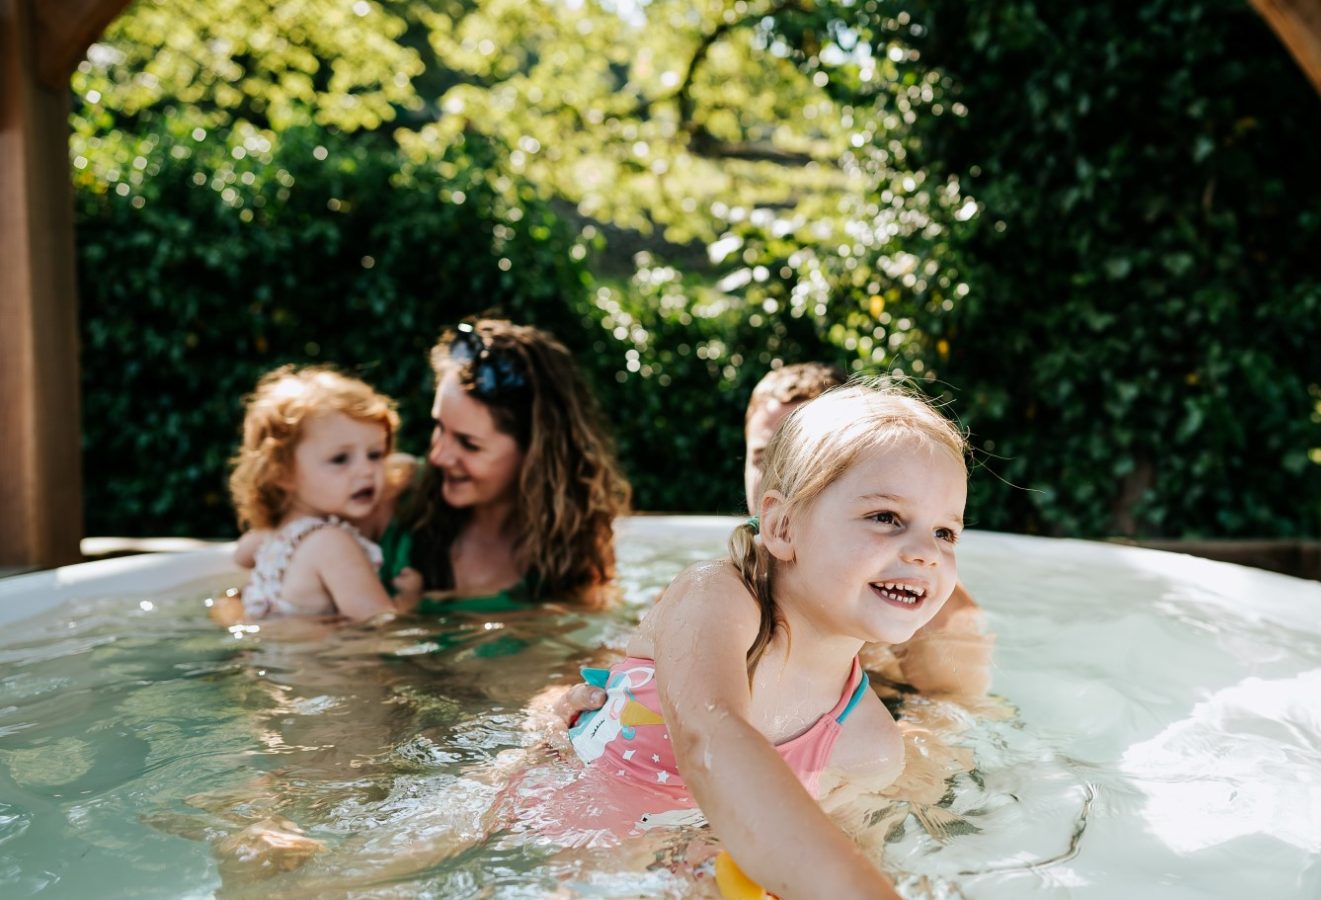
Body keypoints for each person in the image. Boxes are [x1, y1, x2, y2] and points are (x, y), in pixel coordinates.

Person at [504, 380, 970, 897]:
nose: (926, 551)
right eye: (885, 517)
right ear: (782, 526)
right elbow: (711, 737)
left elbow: (821, 849)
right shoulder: (716, 597)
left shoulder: (870, 745)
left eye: (946, 532)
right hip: (527, 832)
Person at [745, 363, 994, 699]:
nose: (781, 472)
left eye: (801, 456)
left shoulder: (927, 605)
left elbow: (954, 710)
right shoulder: (733, 580)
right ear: (780, 523)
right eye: (764, 457)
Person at [377, 319, 634, 612]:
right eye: (439, 427)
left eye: (468, 444)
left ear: (534, 454)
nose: (438, 457)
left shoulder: (572, 546)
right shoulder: (396, 492)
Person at [216, 366, 420, 623]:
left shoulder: (271, 537)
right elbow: (380, 624)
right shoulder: (333, 544)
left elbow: (239, 556)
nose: (366, 470)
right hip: (321, 662)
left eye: (375, 454)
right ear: (283, 473)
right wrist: (409, 599)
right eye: (340, 459)